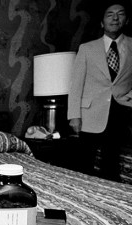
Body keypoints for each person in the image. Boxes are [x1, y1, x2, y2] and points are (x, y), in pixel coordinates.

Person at [67, 1, 132, 181]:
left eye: (120, 14)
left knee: (111, 161)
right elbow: (76, 84)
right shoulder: (87, 48)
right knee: (85, 162)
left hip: (121, 111)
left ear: (126, 20)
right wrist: (74, 115)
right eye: (110, 14)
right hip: (90, 113)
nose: (115, 18)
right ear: (102, 22)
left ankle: (107, 200)